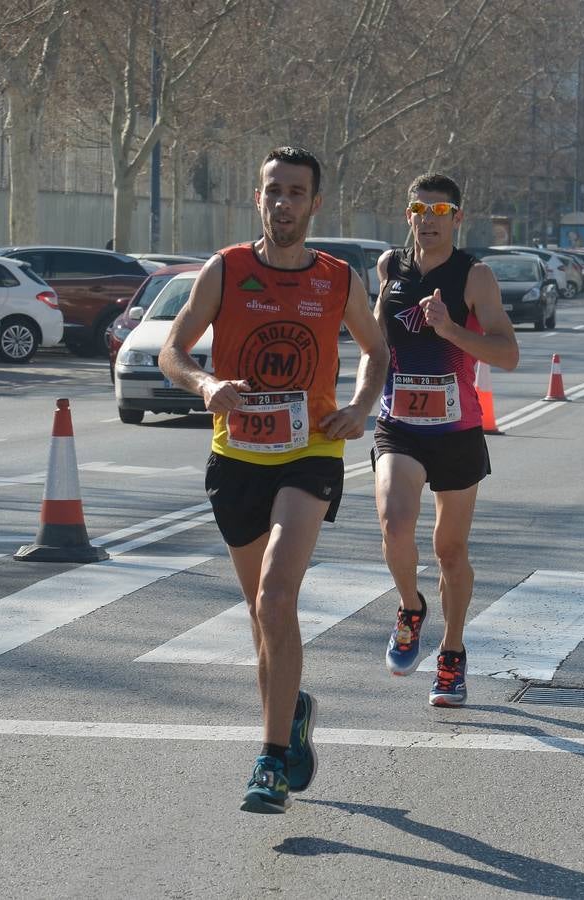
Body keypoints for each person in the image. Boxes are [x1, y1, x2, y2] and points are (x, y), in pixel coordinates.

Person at [158, 147, 387, 814]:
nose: (283, 202)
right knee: (262, 621)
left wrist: (359, 407)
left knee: (275, 599)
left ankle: (270, 760)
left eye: (296, 192)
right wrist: (205, 382)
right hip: (236, 460)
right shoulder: (226, 270)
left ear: (315, 204)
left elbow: (376, 349)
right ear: (257, 199)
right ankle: (291, 713)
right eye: (272, 191)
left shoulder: (337, 278)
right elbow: (171, 349)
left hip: (309, 454)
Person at [371, 173, 519, 707]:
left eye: (440, 212)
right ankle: (411, 608)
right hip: (399, 424)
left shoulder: (474, 276)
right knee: (393, 522)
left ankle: (452, 655)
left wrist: (451, 329)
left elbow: (507, 354)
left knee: (449, 550)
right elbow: (376, 344)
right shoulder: (390, 268)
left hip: (456, 430)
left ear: (457, 218)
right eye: (419, 209)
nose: (427, 220)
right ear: (407, 214)